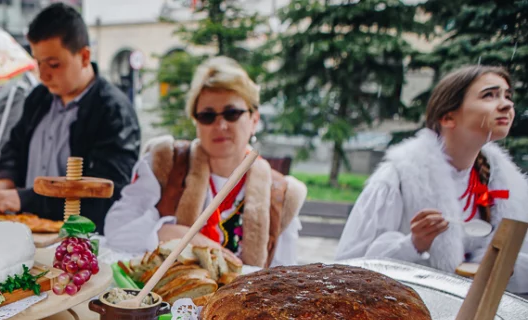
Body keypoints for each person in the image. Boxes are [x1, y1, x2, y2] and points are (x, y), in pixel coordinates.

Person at [336, 65, 528, 291]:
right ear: (448, 117)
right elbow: (348, 270)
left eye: (507, 95)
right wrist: (413, 245)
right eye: (489, 95)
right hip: (411, 319)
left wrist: (507, 267)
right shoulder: (398, 178)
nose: (507, 104)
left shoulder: (510, 187)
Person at [104, 57, 305, 265]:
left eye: (232, 113)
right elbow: (116, 230)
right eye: (208, 116)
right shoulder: (166, 163)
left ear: (254, 120)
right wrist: (177, 235)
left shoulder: (280, 195)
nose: (220, 125)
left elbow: (283, 278)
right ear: (196, 122)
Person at [0, 3, 140, 233]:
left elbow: (106, 194)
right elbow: (14, 148)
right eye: (38, 63)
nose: (43, 75)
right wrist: (4, 179)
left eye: (54, 64)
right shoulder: (39, 98)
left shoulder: (113, 112)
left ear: (84, 56)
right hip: (25, 229)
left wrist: (24, 199)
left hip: (80, 239)